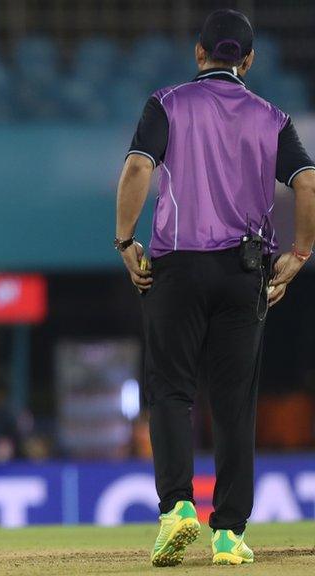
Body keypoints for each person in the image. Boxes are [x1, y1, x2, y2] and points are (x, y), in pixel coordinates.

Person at [115, 9, 315, 567]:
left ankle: (177, 508)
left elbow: (137, 169)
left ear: (199, 54)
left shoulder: (168, 103)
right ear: (247, 61)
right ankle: (228, 534)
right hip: (245, 272)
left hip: (177, 267)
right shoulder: (272, 117)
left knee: (172, 390)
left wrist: (125, 240)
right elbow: (309, 182)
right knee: (233, 405)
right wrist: (299, 254)